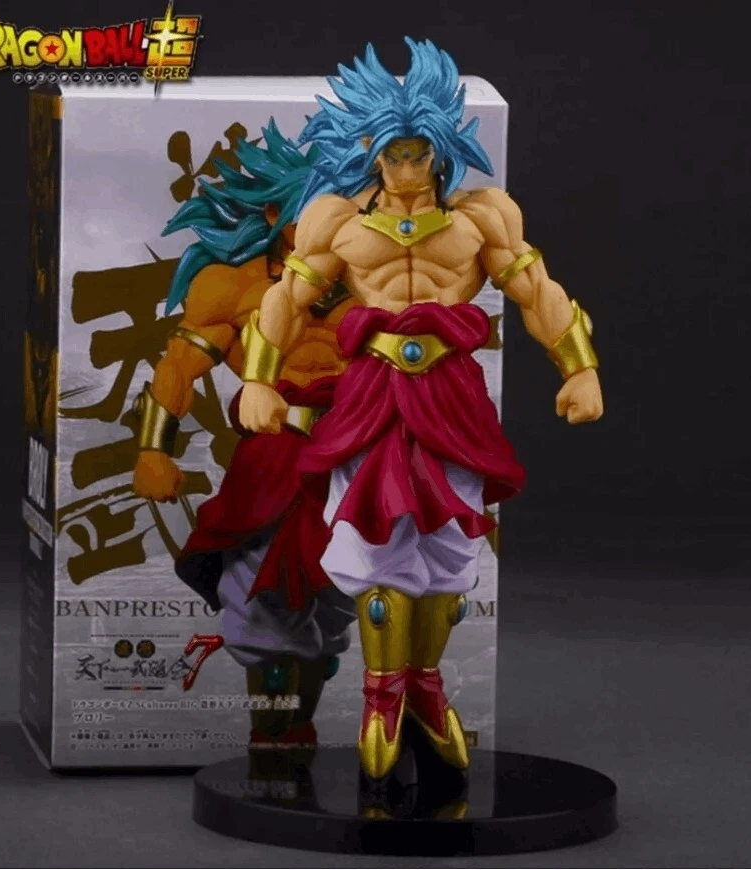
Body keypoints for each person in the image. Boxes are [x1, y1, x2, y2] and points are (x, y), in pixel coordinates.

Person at [236, 40, 604, 778]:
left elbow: (536, 291)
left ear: (440, 149)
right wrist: (259, 379)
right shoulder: (336, 220)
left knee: (448, 559)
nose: (406, 168)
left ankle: (426, 689)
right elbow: (287, 298)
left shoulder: (482, 218)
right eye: (393, 153)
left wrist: (580, 366)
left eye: (418, 152)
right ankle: (381, 696)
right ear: (371, 150)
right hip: (373, 397)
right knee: (379, 552)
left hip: (451, 397)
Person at [132, 121, 357, 749]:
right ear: (276, 214)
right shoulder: (234, 286)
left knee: (337, 606)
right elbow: (179, 365)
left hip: (355, 461)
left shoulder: (379, 281)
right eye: (314, 210)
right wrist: (153, 449)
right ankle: (271, 739)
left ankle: (299, 729)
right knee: (265, 604)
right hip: (274, 462)